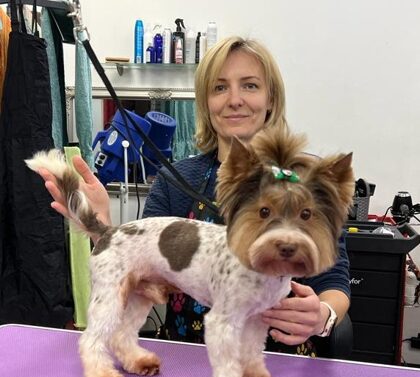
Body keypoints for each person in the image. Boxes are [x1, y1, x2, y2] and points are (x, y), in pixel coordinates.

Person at [38, 36, 350, 355]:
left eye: (250, 85)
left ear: (271, 98)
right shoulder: (175, 179)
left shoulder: (304, 181)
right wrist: (101, 223)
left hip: (279, 358)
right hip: (185, 355)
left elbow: (335, 280)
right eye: (219, 87)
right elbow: (144, 261)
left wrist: (323, 316)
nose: (234, 99)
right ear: (205, 102)